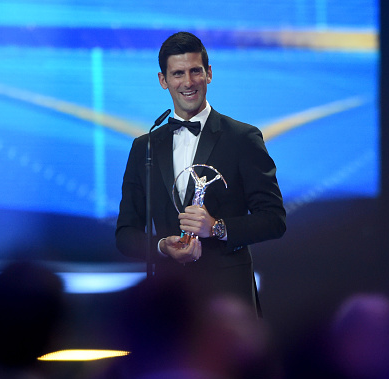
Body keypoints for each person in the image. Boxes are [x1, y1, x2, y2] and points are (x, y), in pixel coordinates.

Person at [115, 31, 286, 316]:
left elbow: (274, 219)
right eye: (178, 73)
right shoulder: (144, 147)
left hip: (229, 301)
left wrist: (217, 228)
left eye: (195, 71)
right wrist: (162, 246)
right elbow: (125, 234)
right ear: (163, 80)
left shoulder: (242, 138)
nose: (188, 82)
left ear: (208, 73)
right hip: (170, 303)